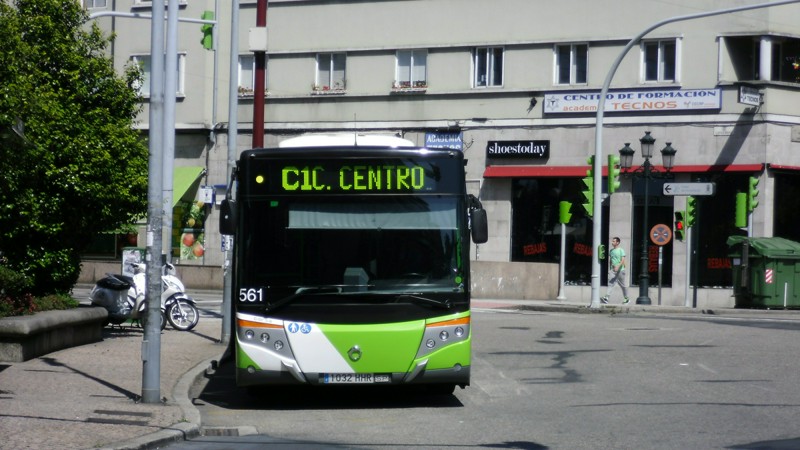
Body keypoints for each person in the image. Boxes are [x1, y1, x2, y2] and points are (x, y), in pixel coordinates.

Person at [602, 237, 630, 304]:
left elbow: (622, 260)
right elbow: (611, 260)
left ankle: (627, 298)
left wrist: (617, 266)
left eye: (614, 241)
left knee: (623, 285)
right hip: (613, 270)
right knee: (610, 283)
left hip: (620, 270)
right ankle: (606, 297)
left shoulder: (621, 250)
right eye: (612, 241)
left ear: (617, 242)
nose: (612, 242)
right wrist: (611, 268)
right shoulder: (611, 251)